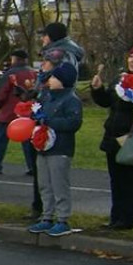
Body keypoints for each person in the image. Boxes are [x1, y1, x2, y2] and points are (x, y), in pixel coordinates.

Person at [28, 62, 84, 237]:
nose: (50, 80)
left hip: (60, 148)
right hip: (43, 147)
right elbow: (37, 115)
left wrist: (50, 122)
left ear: (62, 80)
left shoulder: (71, 100)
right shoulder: (47, 97)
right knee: (44, 184)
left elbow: (73, 123)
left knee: (59, 184)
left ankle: (63, 219)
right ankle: (47, 216)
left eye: (54, 77)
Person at [90, 42, 133, 229]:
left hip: (131, 138)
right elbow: (106, 102)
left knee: (130, 180)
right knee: (115, 179)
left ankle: (127, 219)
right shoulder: (120, 80)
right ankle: (115, 216)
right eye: (131, 57)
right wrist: (98, 89)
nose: (132, 61)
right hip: (113, 135)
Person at [0, 49, 36, 175]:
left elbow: (2, 92)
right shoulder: (33, 73)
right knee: (27, 140)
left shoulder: (10, 74)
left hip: (9, 112)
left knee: (1, 140)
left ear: (15, 59)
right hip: (26, 112)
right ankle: (32, 166)